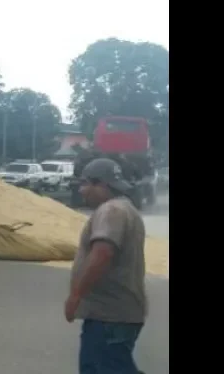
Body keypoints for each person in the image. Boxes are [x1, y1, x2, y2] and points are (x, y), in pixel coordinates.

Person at [65, 157, 147, 374]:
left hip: (109, 317)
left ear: (101, 184)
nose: (82, 191)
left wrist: (75, 295)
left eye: (85, 184)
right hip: (112, 316)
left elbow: (102, 253)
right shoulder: (125, 209)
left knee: (107, 367)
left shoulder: (111, 211)